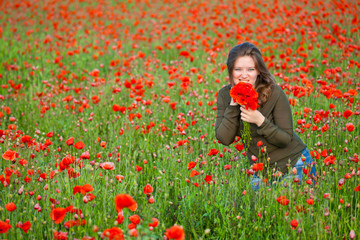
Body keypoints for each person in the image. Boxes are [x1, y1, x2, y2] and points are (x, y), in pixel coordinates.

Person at [215, 42, 316, 191]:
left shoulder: (274, 92)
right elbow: (223, 138)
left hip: (294, 164)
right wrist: (233, 104)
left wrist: (260, 121)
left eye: (250, 69)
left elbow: (285, 139)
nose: (244, 75)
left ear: (258, 71)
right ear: (230, 71)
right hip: (262, 172)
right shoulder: (225, 95)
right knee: (261, 212)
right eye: (238, 69)